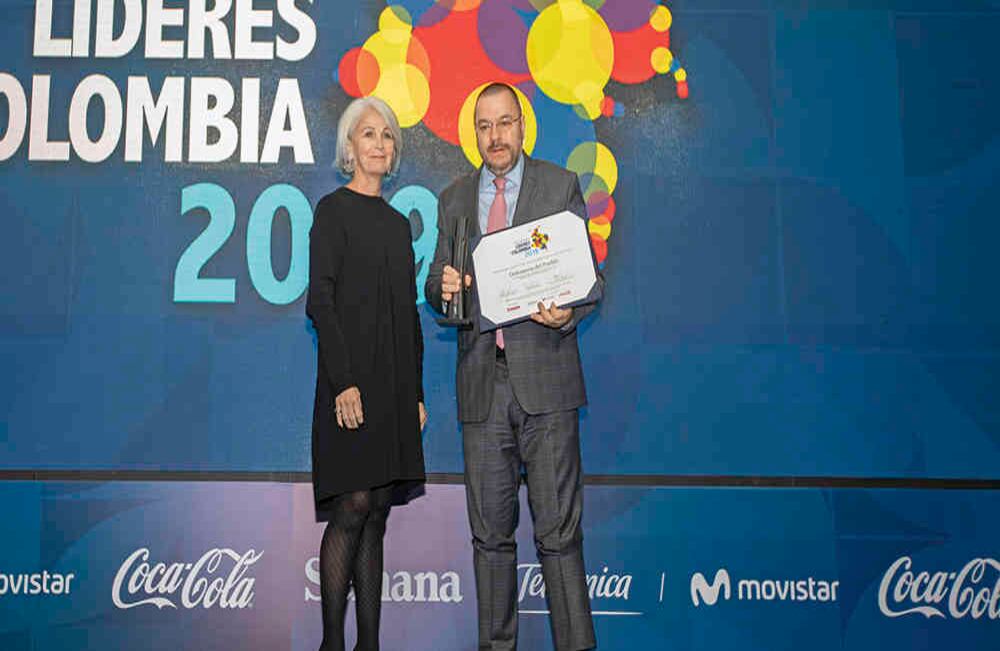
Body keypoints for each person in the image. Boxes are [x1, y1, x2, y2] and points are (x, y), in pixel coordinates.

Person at [426, 82, 603, 651]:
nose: (495, 136)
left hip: (547, 384)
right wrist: (443, 289)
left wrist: (564, 313)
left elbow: (588, 281)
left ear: (522, 126)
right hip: (482, 387)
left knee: (558, 537)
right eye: (484, 126)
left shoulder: (559, 185)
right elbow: (436, 285)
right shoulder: (454, 198)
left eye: (504, 123)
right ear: (473, 133)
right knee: (490, 540)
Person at [307, 96, 427, 651]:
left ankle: (369, 645)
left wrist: (417, 394)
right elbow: (320, 304)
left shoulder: (400, 225)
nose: (379, 143)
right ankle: (334, 642)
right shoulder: (331, 212)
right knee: (353, 503)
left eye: (387, 136)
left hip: (395, 386)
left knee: (377, 509)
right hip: (348, 383)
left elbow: (408, 312)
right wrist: (343, 382)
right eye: (368, 134)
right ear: (349, 148)